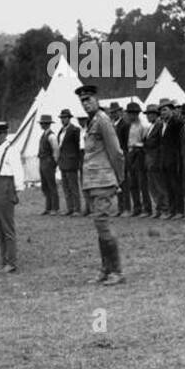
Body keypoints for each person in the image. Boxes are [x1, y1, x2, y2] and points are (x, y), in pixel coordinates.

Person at [76, 85, 127, 285]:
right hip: (92, 182)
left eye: (88, 99)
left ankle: (117, 271)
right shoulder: (91, 122)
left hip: (104, 180)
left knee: (104, 225)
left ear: (97, 99)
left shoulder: (103, 121)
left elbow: (116, 152)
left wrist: (119, 178)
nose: (86, 103)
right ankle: (106, 269)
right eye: (83, 101)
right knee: (100, 226)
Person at [0, 121, 24, 272]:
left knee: (7, 227)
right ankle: (3, 260)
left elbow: (18, 171)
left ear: (5, 134)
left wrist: (17, 190)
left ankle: (11, 262)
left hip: (6, 186)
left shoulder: (11, 150)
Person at [124, 102, 151, 217]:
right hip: (130, 153)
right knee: (132, 183)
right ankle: (137, 207)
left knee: (142, 183)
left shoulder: (143, 126)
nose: (131, 116)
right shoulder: (128, 126)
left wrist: (138, 147)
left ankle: (147, 208)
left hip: (139, 153)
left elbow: (145, 142)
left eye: (133, 114)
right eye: (130, 114)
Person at [158, 99, 184, 218]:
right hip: (165, 159)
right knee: (168, 186)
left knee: (176, 186)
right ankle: (172, 210)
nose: (162, 113)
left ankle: (179, 210)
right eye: (161, 111)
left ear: (172, 110)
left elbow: (179, 142)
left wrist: (178, 158)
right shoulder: (163, 124)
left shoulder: (177, 123)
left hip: (174, 158)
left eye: (165, 110)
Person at [57, 109, 83, 216]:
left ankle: (77, 208)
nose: (63, 120)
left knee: (73, 186)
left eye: (65, 118)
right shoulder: (61, 131)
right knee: (66, 187)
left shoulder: (75, 130)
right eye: (62, 118)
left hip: (72, 161)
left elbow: (78, 146)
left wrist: (77, 159)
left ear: (69, 118)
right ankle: (70, 207)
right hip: (63, 161)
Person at [35, 114, 59, 215]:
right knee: (45, 185)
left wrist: (54, 162)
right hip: (42, 160)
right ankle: (48, 207)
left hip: (48, 161)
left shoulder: (51, 136)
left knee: (51, 185)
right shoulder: (44, 134)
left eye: (43, 123)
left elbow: (56, 150)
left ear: (47, 124)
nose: (41, 125)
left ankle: (54, 207)